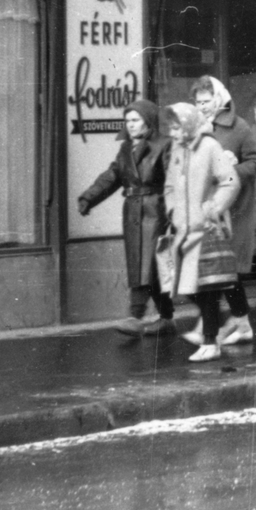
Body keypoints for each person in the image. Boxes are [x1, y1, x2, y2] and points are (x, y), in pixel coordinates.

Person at [77, 99, 173, 338]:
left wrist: (174, 214)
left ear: (148, 120)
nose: (130, 125)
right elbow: (112, 176)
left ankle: (136, 315)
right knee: (143, 265)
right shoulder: (125, 149)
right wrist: (89, 197)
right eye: (127, 120)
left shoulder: (164, 145)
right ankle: (166, 318)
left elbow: (174, 181)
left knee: (148, 264)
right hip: (133, 212)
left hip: (156, 210)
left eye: (135, 120)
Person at [186, 76, 256, 347]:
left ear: (219, 99)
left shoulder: (239, 128)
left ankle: (229, 325)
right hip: (209, 211)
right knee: (215, 270)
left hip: (235, 211)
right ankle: (234, 323)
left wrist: (231, 172)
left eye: (206, 101)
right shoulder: (196, 128)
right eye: (198, 102)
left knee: (228, 270)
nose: (202, 107)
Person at [162, 103, 241, 362]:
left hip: (206, 229)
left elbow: (230, 180)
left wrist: (213, 207)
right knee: (186, 287)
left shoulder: (209, 147)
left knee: (207, 288)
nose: (172, 133)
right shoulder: (177, 149)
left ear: (187, 126)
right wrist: (173, 212)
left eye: (176, 128)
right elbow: (170, 186)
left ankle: (210, 342)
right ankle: (220, 328)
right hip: (184, 230)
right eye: (171, 128)